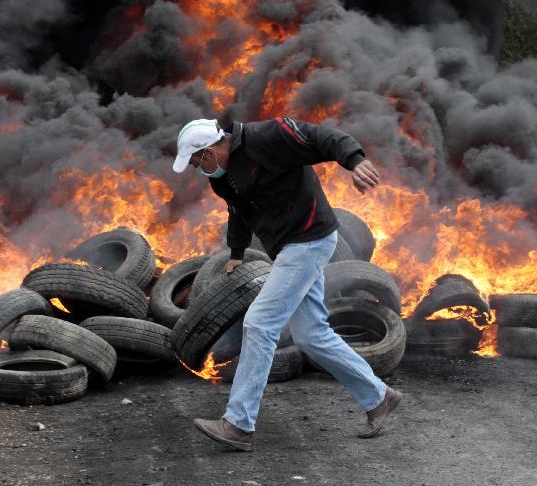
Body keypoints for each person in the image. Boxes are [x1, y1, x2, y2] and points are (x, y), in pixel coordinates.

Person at [172, 116, 403, 452]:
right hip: (288, 247)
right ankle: (379, 397)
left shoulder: (266, 138)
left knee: (260, 323)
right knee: (312, 335)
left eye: (197, 160)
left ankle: (238, 424)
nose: (197, 168)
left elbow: (320, 136)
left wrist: (354, 160)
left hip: (309, 239)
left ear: (210, 149)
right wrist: (236, 252)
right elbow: (237, 211)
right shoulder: (221, 177)